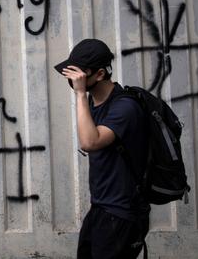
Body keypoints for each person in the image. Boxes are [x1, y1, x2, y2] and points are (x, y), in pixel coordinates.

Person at [55, 39, 150, 259]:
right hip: (100, 208)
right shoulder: (93, 102)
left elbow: (90, 142)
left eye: (79, 76)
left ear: (99, 75)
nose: (73, 81)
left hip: (121, 213)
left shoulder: (125, 107)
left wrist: (79, 94)